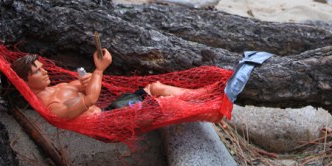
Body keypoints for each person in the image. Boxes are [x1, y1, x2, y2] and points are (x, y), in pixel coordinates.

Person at [12, 47, 195, 119]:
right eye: (37, 72)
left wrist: (88, 79)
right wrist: (99, 70)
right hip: (112, 120)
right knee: (162, 103)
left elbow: (84, 85)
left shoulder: (59, 87)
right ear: (24, 81)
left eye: (42, 68)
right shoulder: (51, 106)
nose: (45, 72)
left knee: (154, 88)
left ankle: (202, 95)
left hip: (112, 110)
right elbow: (90, 99)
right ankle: (205, 109)